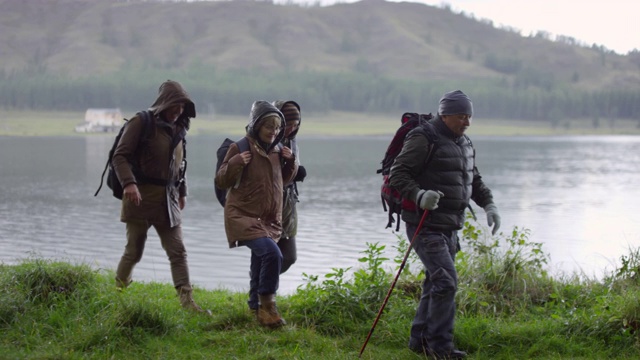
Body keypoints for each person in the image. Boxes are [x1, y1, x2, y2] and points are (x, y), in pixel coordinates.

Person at [389, 90, 501, 359]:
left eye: (470, 116)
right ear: (445, 114)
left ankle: (419, 341)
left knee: (435, 281)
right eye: (462, 116)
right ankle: (440, 348)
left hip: (451, 225)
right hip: (424, 224)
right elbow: (398, 174)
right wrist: (419, 195)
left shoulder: (464, 142)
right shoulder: (423, 137)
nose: (467, 122)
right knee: (447, 281)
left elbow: (472, 180)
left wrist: (489, 205)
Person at [112, 80, 208, 314]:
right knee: (134, 251)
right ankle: (118, 294)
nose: (178, 111)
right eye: (175, 106)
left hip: (169, 200)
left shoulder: (179, 129)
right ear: (164, 104)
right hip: (139, 197)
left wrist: (182, 192)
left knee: (178, 251)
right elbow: (119, 156)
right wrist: (129, 183)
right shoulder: (140, 123)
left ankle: (188, 303)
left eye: (182, 107)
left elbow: (179, 165)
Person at [215, 100, 298, 328]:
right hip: (243, 215)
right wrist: (234, 163)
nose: (274, 132)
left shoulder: (279, 151)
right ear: (257, 126)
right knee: (273, 255)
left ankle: (255, 308)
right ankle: (268, 306)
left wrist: (290, 163)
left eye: (277, 127)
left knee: (261, 260)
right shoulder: (240, 148)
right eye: (269, 127)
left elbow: (283, 181)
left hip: (269, 219)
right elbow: (221, 180)